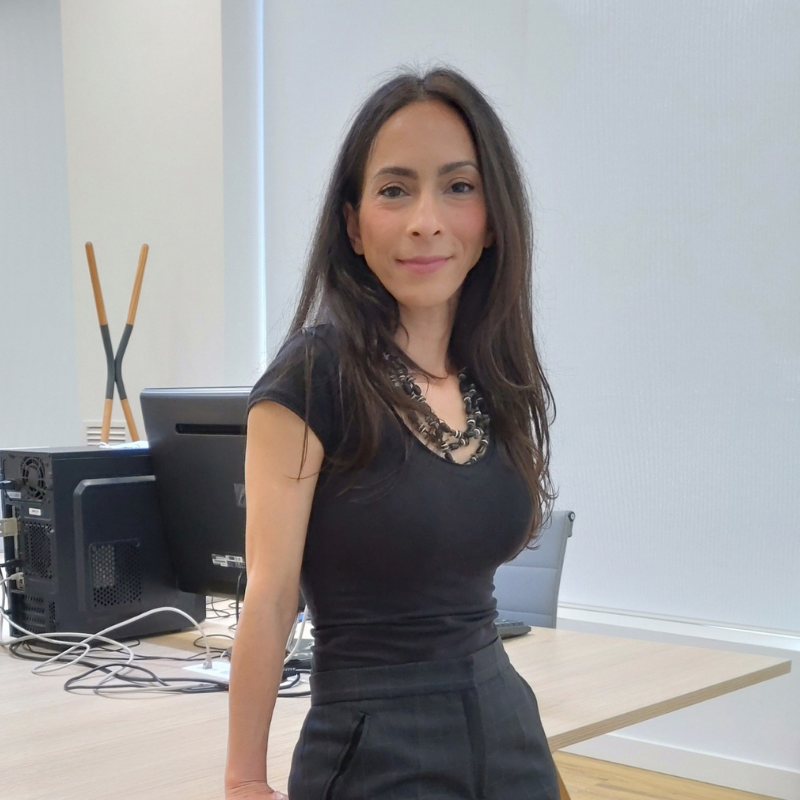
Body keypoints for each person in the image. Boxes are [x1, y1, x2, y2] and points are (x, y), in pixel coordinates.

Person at [225, 64, 560, 800]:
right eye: (394, 190)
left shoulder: (493, 378)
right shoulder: (313, 376)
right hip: (376, 745)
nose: (425, 221)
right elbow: (271, 596)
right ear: (353, 224)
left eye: (459, 187)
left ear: (493, 219)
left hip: (508, 730)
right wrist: (243, 778)